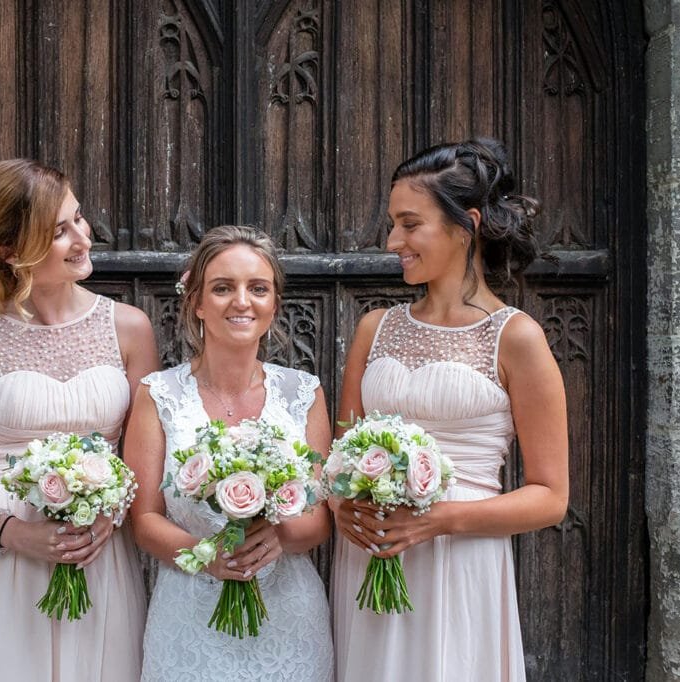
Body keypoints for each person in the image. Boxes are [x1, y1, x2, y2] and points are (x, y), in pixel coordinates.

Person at [330, 139, 569, 681]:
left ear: (468, 225)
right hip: (373, 553)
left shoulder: (517, 338)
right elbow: (338, 457)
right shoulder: (375, 329)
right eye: (393, 224)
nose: (394, 240)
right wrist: (342, 507)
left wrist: (436, 521)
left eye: (410, 224)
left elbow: (551, 498)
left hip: (459, 563)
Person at [0, 159, 159, 681]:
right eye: (58, 232)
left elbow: (145, 462)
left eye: (79, 219)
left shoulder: (130, 329)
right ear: (8, 249)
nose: (82, 238)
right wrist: (14, 534)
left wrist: (105, 517)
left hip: (96, 555)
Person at [124, 226, 334, 681]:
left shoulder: (303, 393)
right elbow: (143, 520)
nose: (242, 301)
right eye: (223, 288)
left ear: (274, 302)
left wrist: (281, 536)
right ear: (197, 302)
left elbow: (320, 516)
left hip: (289, 615)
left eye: (258, 288)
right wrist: (207, 555)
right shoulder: (158, 394)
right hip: (188, 615)